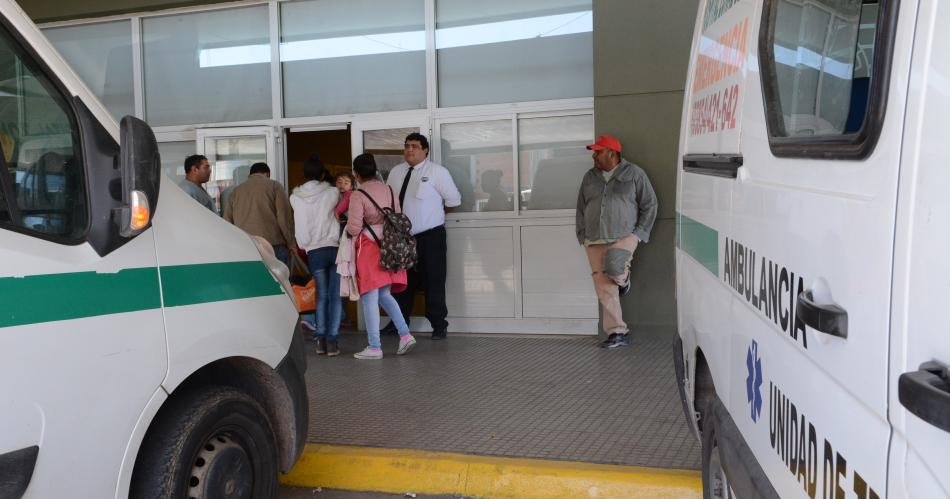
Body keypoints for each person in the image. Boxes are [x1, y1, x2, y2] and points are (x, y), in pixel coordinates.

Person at [575, 135, 657, 349]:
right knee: (604, 288)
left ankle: (624, 280)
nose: (594, 155)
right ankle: (617, 333)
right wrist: (582, 234)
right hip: (593, 238)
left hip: (624, 235)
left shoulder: (634, 174)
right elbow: (581, 207)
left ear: (611, 153)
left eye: (598, 151)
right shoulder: (590, 177)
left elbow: (650, 204)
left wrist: (638, 233)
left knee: (614, 266)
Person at [383, 133, 461, 340]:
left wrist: (432, 215)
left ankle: (438, 325)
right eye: (407, 146)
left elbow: (453, 201)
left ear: (425, 150)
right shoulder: (396, 172)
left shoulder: (437, 172)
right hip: (402, 237)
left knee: (434, 280)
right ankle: (399, 323)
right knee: (402, 282)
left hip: (430, 236)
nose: (410, 150)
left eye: (415, 146)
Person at [346, 153, 416, 359]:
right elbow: (398, 214)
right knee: (384, 294)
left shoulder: (358, 195)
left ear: (356, 174)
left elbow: (354, 228)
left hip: (369, 248)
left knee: (369, 297)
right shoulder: (389, 190)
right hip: (390, 246)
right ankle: (405, 335)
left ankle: (374, 347)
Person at [290, 155, 342, 356]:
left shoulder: (295, 197)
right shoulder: (332, 192)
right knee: (336, 296)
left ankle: (320, 341)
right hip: (334, 248)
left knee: (321, 296)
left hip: (314, 251)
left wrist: (305, 245)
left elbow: (299, 224)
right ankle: (333, 341)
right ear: (322, 174)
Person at [224, 162, 296, 266]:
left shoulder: (236, 191)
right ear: (267, 174)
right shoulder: (274, 186)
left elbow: (227, 220)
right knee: (278, 280)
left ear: (250, 175)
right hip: (273, 245)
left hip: (246, 245)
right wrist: (291, 244)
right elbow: (284, 218)